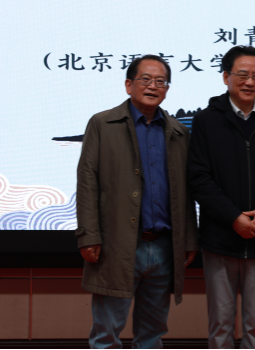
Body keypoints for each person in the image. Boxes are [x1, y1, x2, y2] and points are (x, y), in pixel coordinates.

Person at [76, 55, 198, 349]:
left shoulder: (179, 132)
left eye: (160, 81)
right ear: (129, 84)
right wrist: (89, 235)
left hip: (164, 248)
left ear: (167, 89)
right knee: (106, 334)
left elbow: (186, 193)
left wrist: (189, 240)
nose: (153, 86)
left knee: (152, 335)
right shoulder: (103, 124)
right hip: (117, 246)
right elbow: (87, 182)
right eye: (145, 79)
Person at [188, 45, 255, 349]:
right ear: (226, 77)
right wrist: (233, 217)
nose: (250, 82)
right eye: (243, 74)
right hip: (220, 239)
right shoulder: (206, 120)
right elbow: (199, 178)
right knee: (220, 325)